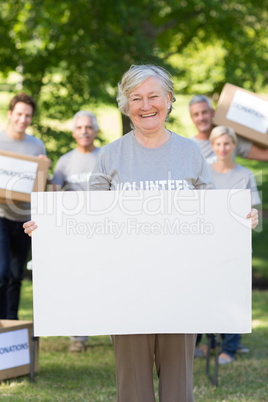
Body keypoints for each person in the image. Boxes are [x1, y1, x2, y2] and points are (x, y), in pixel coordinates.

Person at [24, 65, 258, 401]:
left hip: (182, 287)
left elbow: (212, 216)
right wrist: (50, 230)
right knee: (133, 390)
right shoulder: (111, 155)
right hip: (126, 291)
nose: (146, 105)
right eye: (136, 98)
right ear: (125, 104)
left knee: (179, 389)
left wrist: (239, 221)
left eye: (153, 96)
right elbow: (90, 222)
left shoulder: (191, 153)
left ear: (169, 99)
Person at [208, 125, 261, 365]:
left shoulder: (245, 174)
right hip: (209, 245)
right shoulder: (204, 173)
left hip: (237, 246)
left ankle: (229, 347)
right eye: (218, 143)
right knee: (209, 295)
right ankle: (210, 343)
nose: (222, 148)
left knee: (233, 296)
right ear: (212, 146)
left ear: (233, 145)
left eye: (226, 143)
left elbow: (254, 210)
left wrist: (252, 217)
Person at [50, 110, 100, 352]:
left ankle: (114, 329)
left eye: (89, 127)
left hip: (104, 229)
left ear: (96, 131)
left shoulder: (105, 156)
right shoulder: (64, 161)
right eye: (80, 128)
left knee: (105, 279)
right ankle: (78, 337)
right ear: (73, 132)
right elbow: (52, 194)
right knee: (78, 281)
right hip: (75, 231)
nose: (84, 131)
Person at [0, 93, 47, 319]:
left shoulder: (36, 145)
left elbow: (41, 184)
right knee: (2, 272)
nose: (22, 119)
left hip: (25, 219)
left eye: (27, 115)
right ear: (10, 114)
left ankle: (11, 323)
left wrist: (44, 168)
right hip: (1, 215)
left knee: (16, 275)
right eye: (19, 114)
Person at [189, 95, 268, 164]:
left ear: (212, 112)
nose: (201, 118)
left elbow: (265, 155)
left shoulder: (229, 137)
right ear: (191, 118)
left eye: (204, 112)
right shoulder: (189, 147)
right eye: (196, 114)